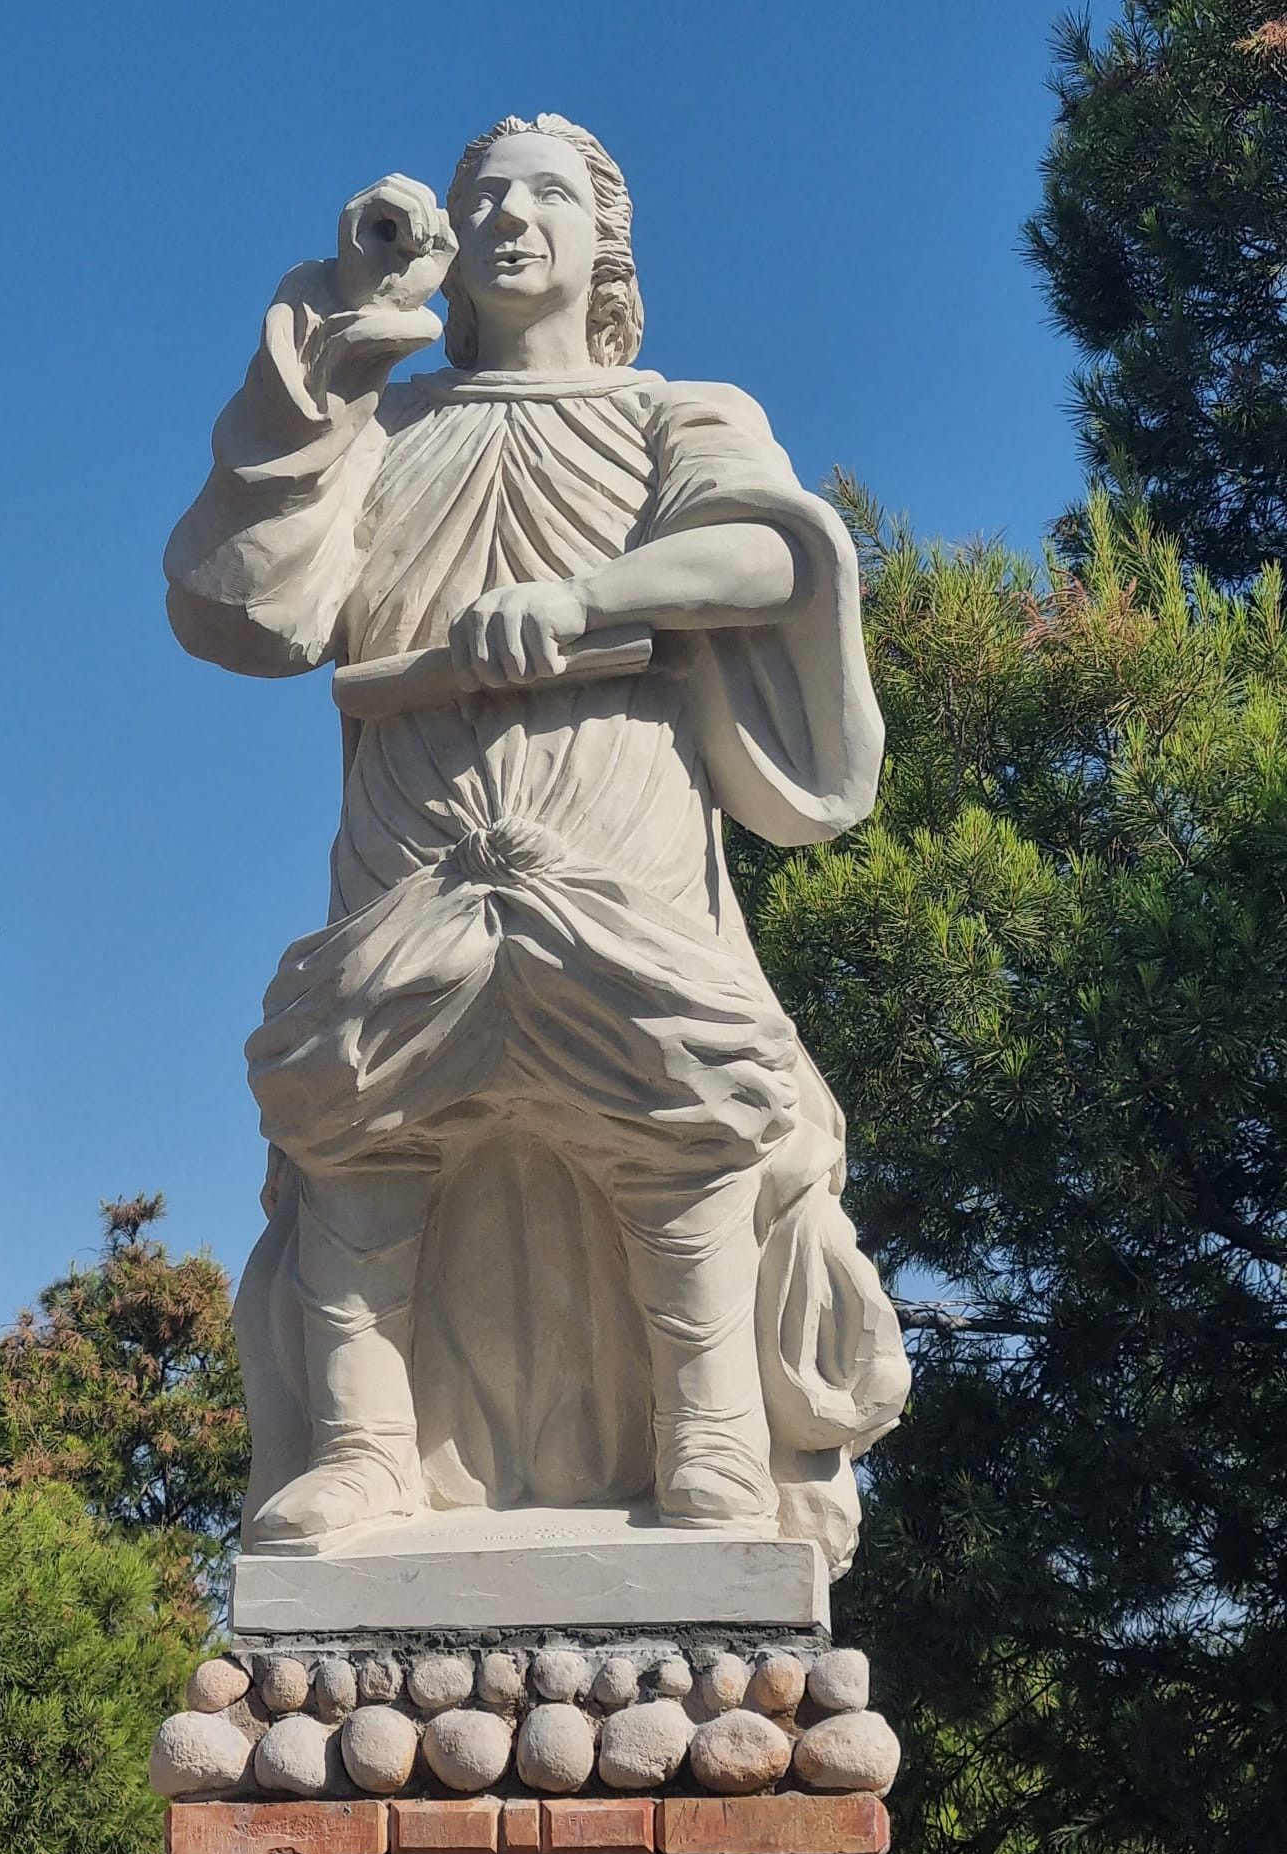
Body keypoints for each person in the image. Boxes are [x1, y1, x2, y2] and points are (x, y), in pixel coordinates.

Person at [165, 114, 910, 1574]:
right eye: (484, 197)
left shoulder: (669, 413)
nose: (511, 215)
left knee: (673, 1108)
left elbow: (771, 550)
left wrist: (585, 598)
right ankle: (365, 1454)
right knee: (358, 1113)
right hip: (414, 831)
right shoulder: (386, 434)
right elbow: (246, 612)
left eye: (548, 193)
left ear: (603, 241)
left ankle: (709, 1437)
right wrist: (342, 327)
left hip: (612, 822)